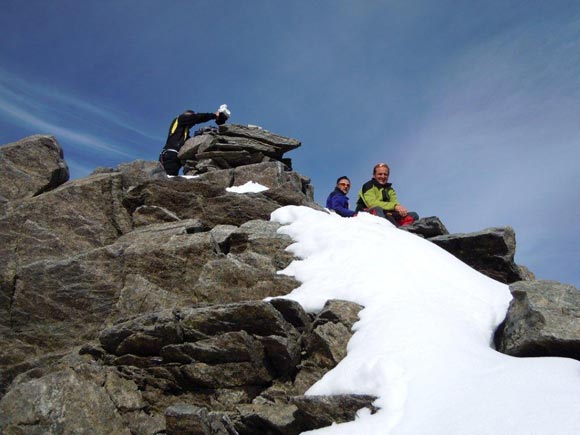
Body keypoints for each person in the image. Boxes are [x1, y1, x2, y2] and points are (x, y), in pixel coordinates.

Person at [159, 106, 230, 176]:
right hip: (171, 153)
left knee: (169, 177)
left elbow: (189, 143)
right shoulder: (181, 118)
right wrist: (214, 115)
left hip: (173, 156)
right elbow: (196, 117)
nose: (192, 125)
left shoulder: (183, 132)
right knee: (167, 177)